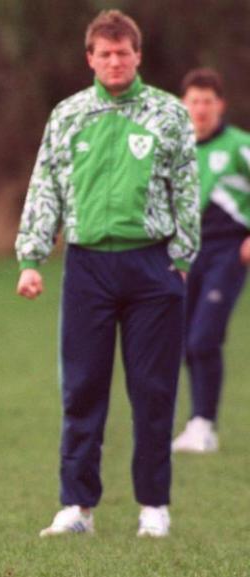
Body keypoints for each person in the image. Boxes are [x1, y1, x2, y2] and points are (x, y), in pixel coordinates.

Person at [15, 10, 200, 538]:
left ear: (137, 55)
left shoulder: (168, 114)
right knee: (81, 389)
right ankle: (77, 507)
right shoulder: (69, 115)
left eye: (123, 52)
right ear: (91, 58)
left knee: (153, 389)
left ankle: (154, 508)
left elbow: (187, 189)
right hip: (88, 267)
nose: (115, 61)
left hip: (152, 264)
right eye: (105, 53)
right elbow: (45, 187)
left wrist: (182, 259)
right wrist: (32, 258)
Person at [172, 68, 250, 453]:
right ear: (184, 105)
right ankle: (197, 423)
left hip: (228, 252)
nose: (201, 109)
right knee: (187, 339)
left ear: (220, 105)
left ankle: (205, 425)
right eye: (194, 101)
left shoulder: (239, 145)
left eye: (208, 101)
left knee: (205, 337)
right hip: (188, 254)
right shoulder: (177, 148)